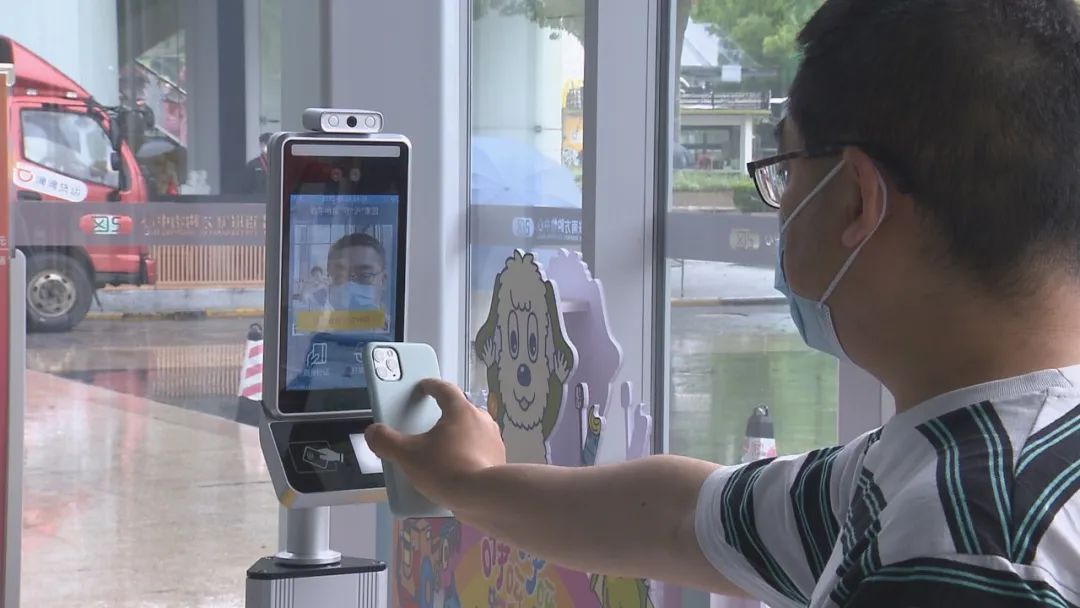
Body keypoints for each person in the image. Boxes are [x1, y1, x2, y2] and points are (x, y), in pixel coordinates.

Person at [367, 1, 1080, 606]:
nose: (782, 207)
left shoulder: (962, 548)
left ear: (856, 200)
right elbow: (679, 519)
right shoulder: (958, 455)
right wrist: (473, 483)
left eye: (787, 170)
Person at [326, 231, 387, 313]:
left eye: (365, 275)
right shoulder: (315, 319)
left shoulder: (399, 320)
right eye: (340, 275)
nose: (350, 286)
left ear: (383, 281)